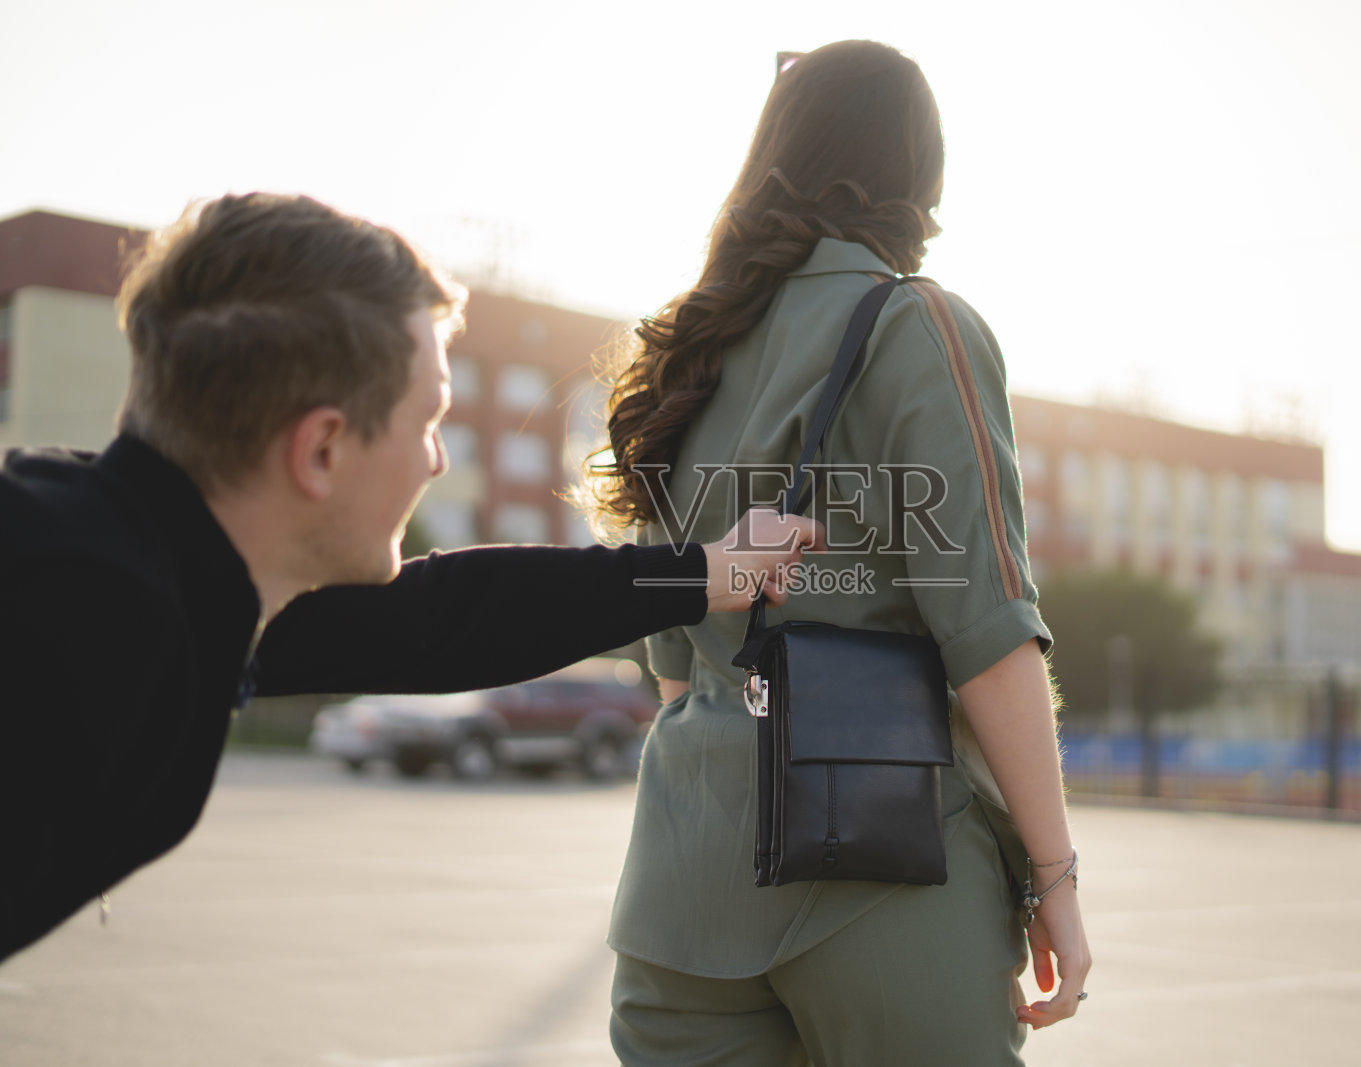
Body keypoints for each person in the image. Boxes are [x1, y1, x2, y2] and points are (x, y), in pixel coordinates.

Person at [0, 193, 821, 964]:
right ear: (321, 449)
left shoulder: (177, 574)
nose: (436, 459)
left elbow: (450, 616)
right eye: (430, 421)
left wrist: (710, 572)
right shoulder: (87, 621)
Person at [590, 40, 1091, 1065]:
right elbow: (990, 633)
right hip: (878, 868)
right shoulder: (917, 325)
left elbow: (674, 668)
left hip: (679, 888)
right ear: (923, 170)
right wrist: (1055, 879)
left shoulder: (683, 354)